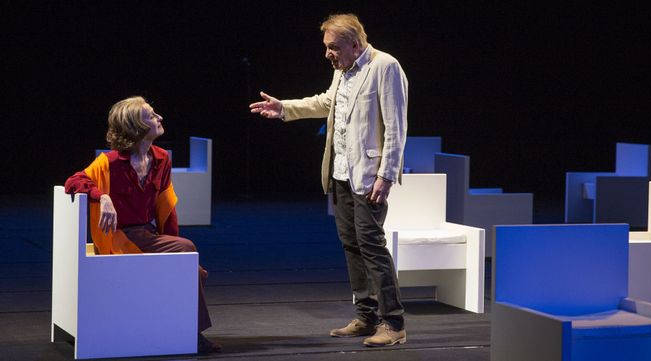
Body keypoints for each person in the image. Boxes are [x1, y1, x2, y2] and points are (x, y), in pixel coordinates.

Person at [249, 13, 408, 347]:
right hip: (340, 173)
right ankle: (366, 315)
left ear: (354, 43)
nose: (328, 54)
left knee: (372, 246)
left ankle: (393, 323)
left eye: (333, 47)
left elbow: (396, 127)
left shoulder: (385, 67)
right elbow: (327, 102)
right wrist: (284, 108)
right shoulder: (343, 70)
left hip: (367, 177)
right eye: (327, 47)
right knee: (351, 245)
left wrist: (387, 175)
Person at [64, 96, 221, 354]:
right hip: (116, 238)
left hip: (146, 236)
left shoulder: (161, 159)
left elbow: (166, 208)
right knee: (186, 251)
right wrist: (102, 196)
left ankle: (188, 330)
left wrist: (182, 262)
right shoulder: (111, 162)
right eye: (150, 115)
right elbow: (74, 180)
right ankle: (193, 334)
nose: (159, 118)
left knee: (186, 254)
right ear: (136, 126)